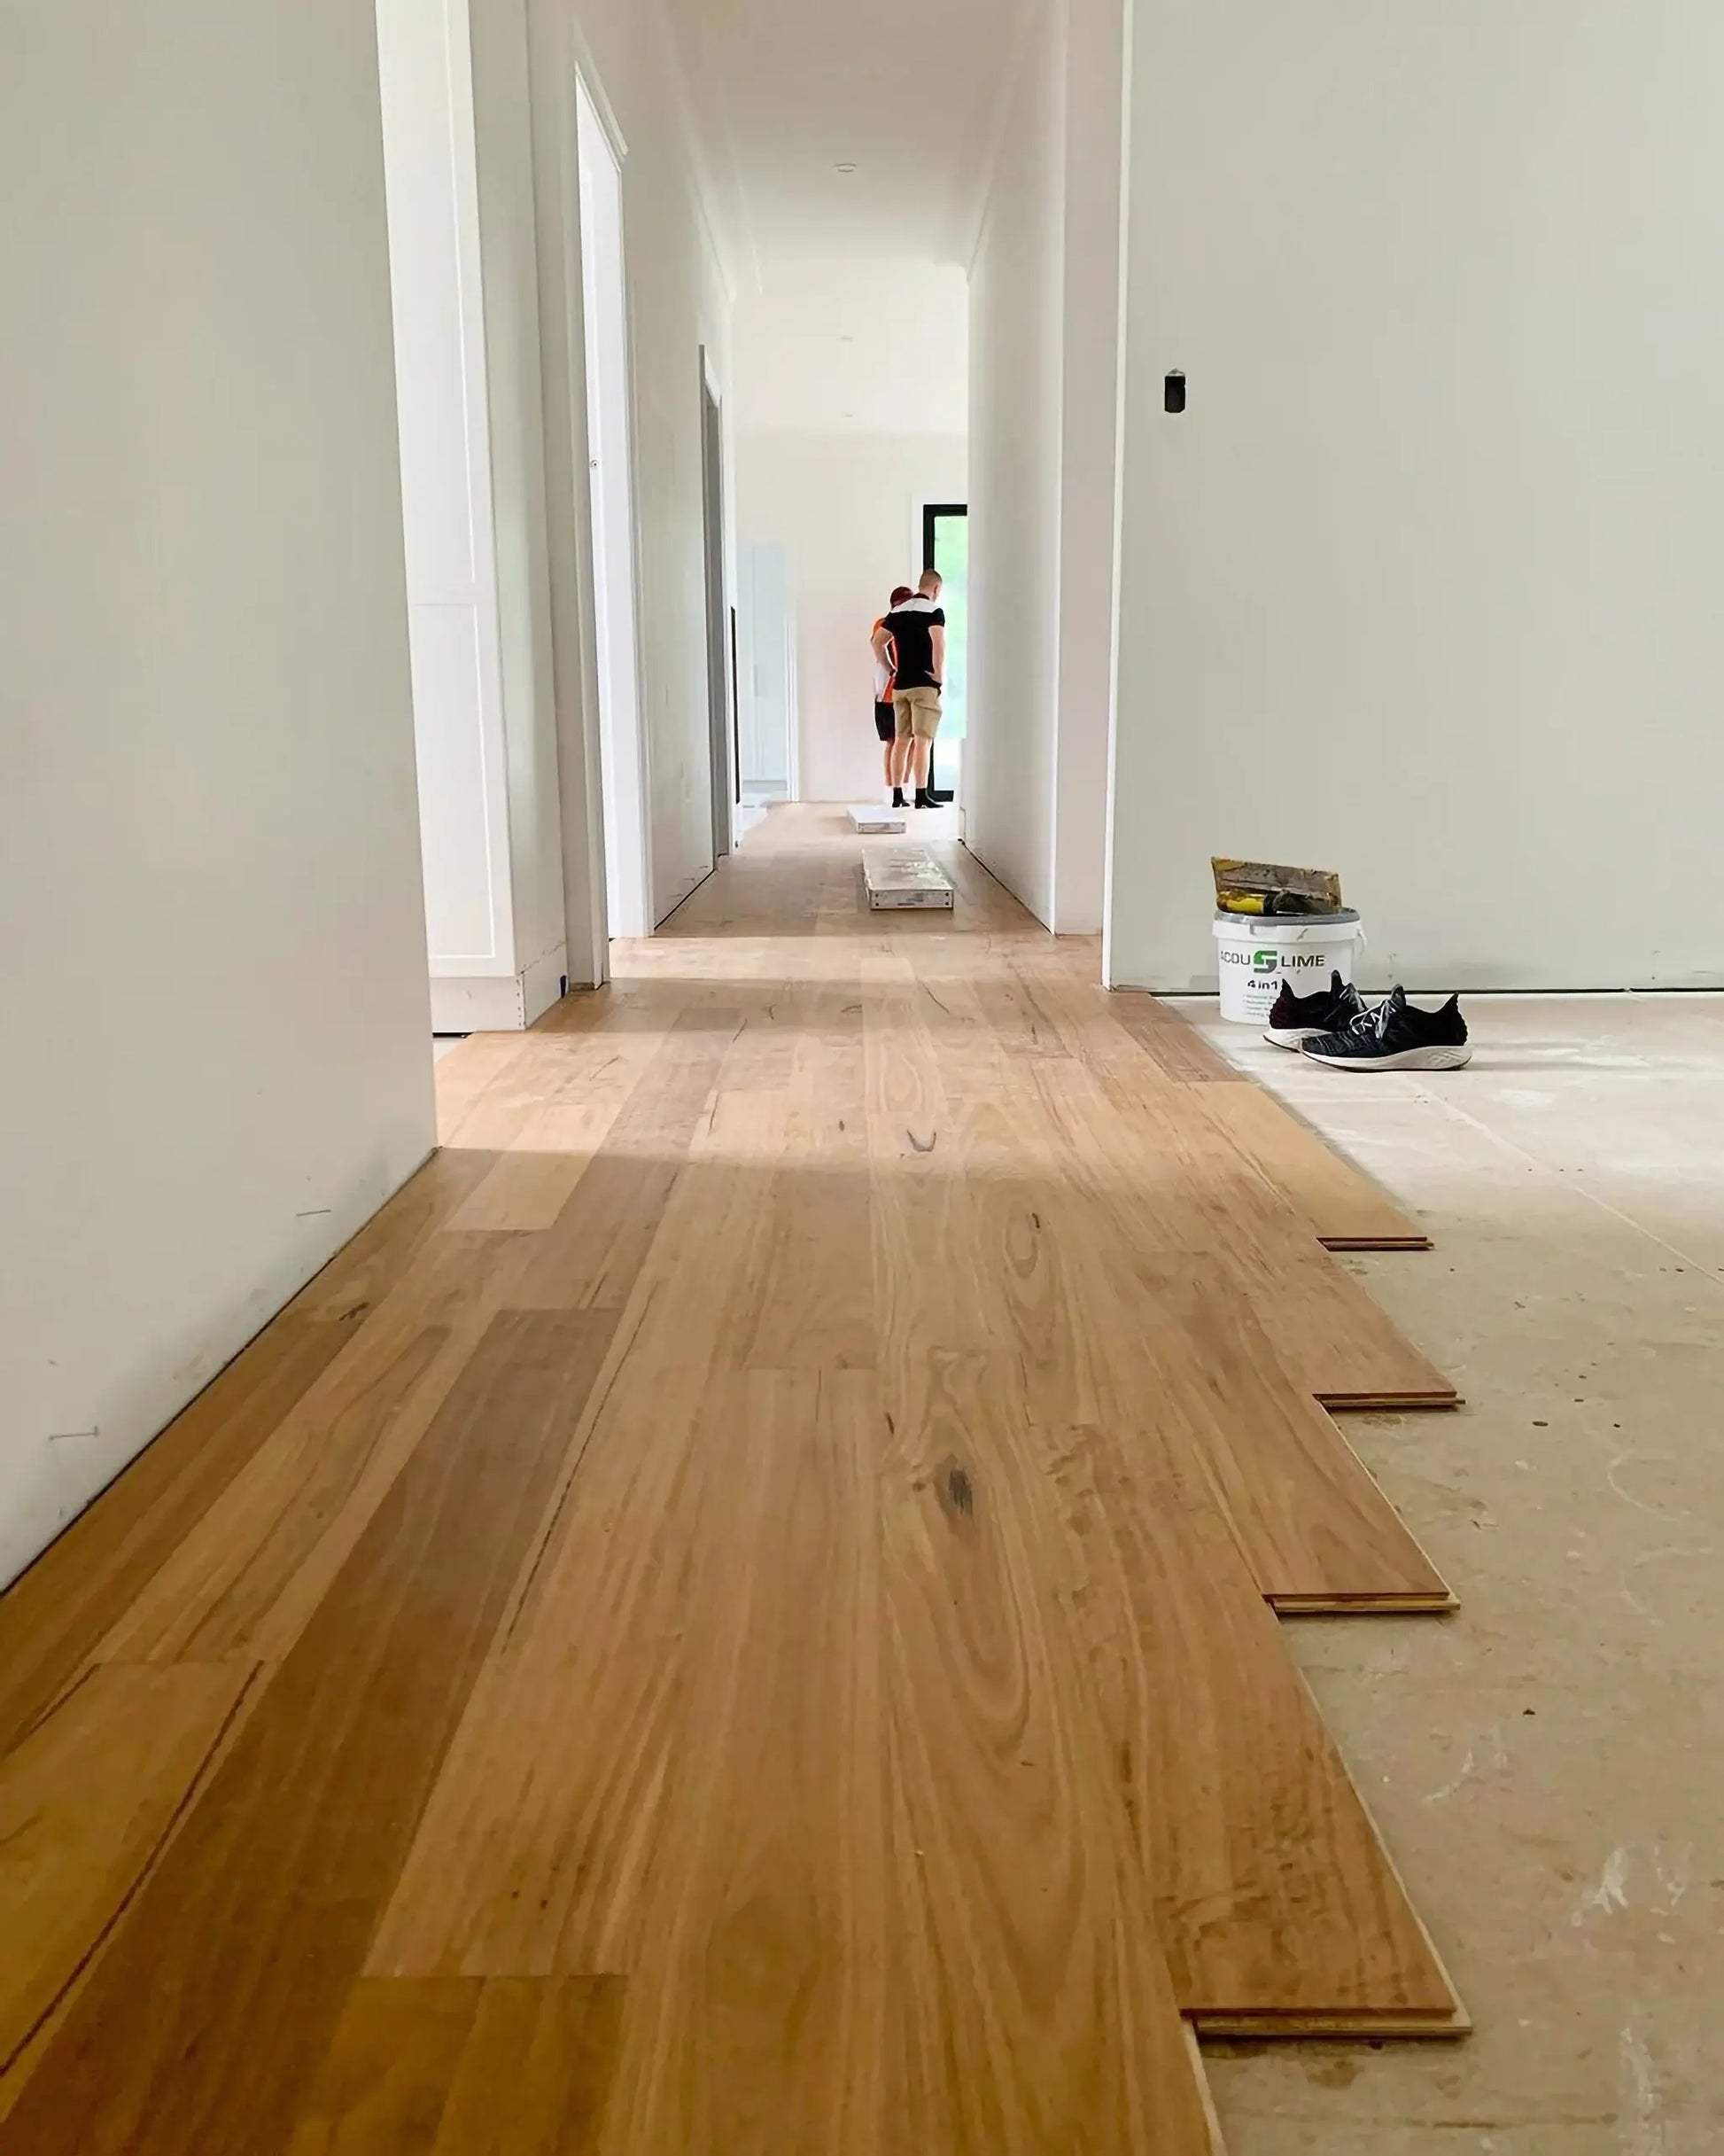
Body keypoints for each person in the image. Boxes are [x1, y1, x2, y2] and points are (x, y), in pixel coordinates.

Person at [874, 570, 944, 808]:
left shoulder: (897, 611)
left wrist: (891, 667)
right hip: (924, 685)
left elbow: (877, 642)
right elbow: (938, 644)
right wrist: (937, 675)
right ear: (935, 589)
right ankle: (922, 796)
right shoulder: (934, 612)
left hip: (901, 686)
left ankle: (897, 796)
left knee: (901, 740)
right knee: (923, 741)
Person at [872, 585, 914, 805]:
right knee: (896, 741)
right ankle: (893, 788)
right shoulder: (887, 624)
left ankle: (901, 787)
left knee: (906, 741)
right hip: (889, 692)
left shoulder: (894, 624)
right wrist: (893, 671)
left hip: (899, 690)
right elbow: (879, 648)